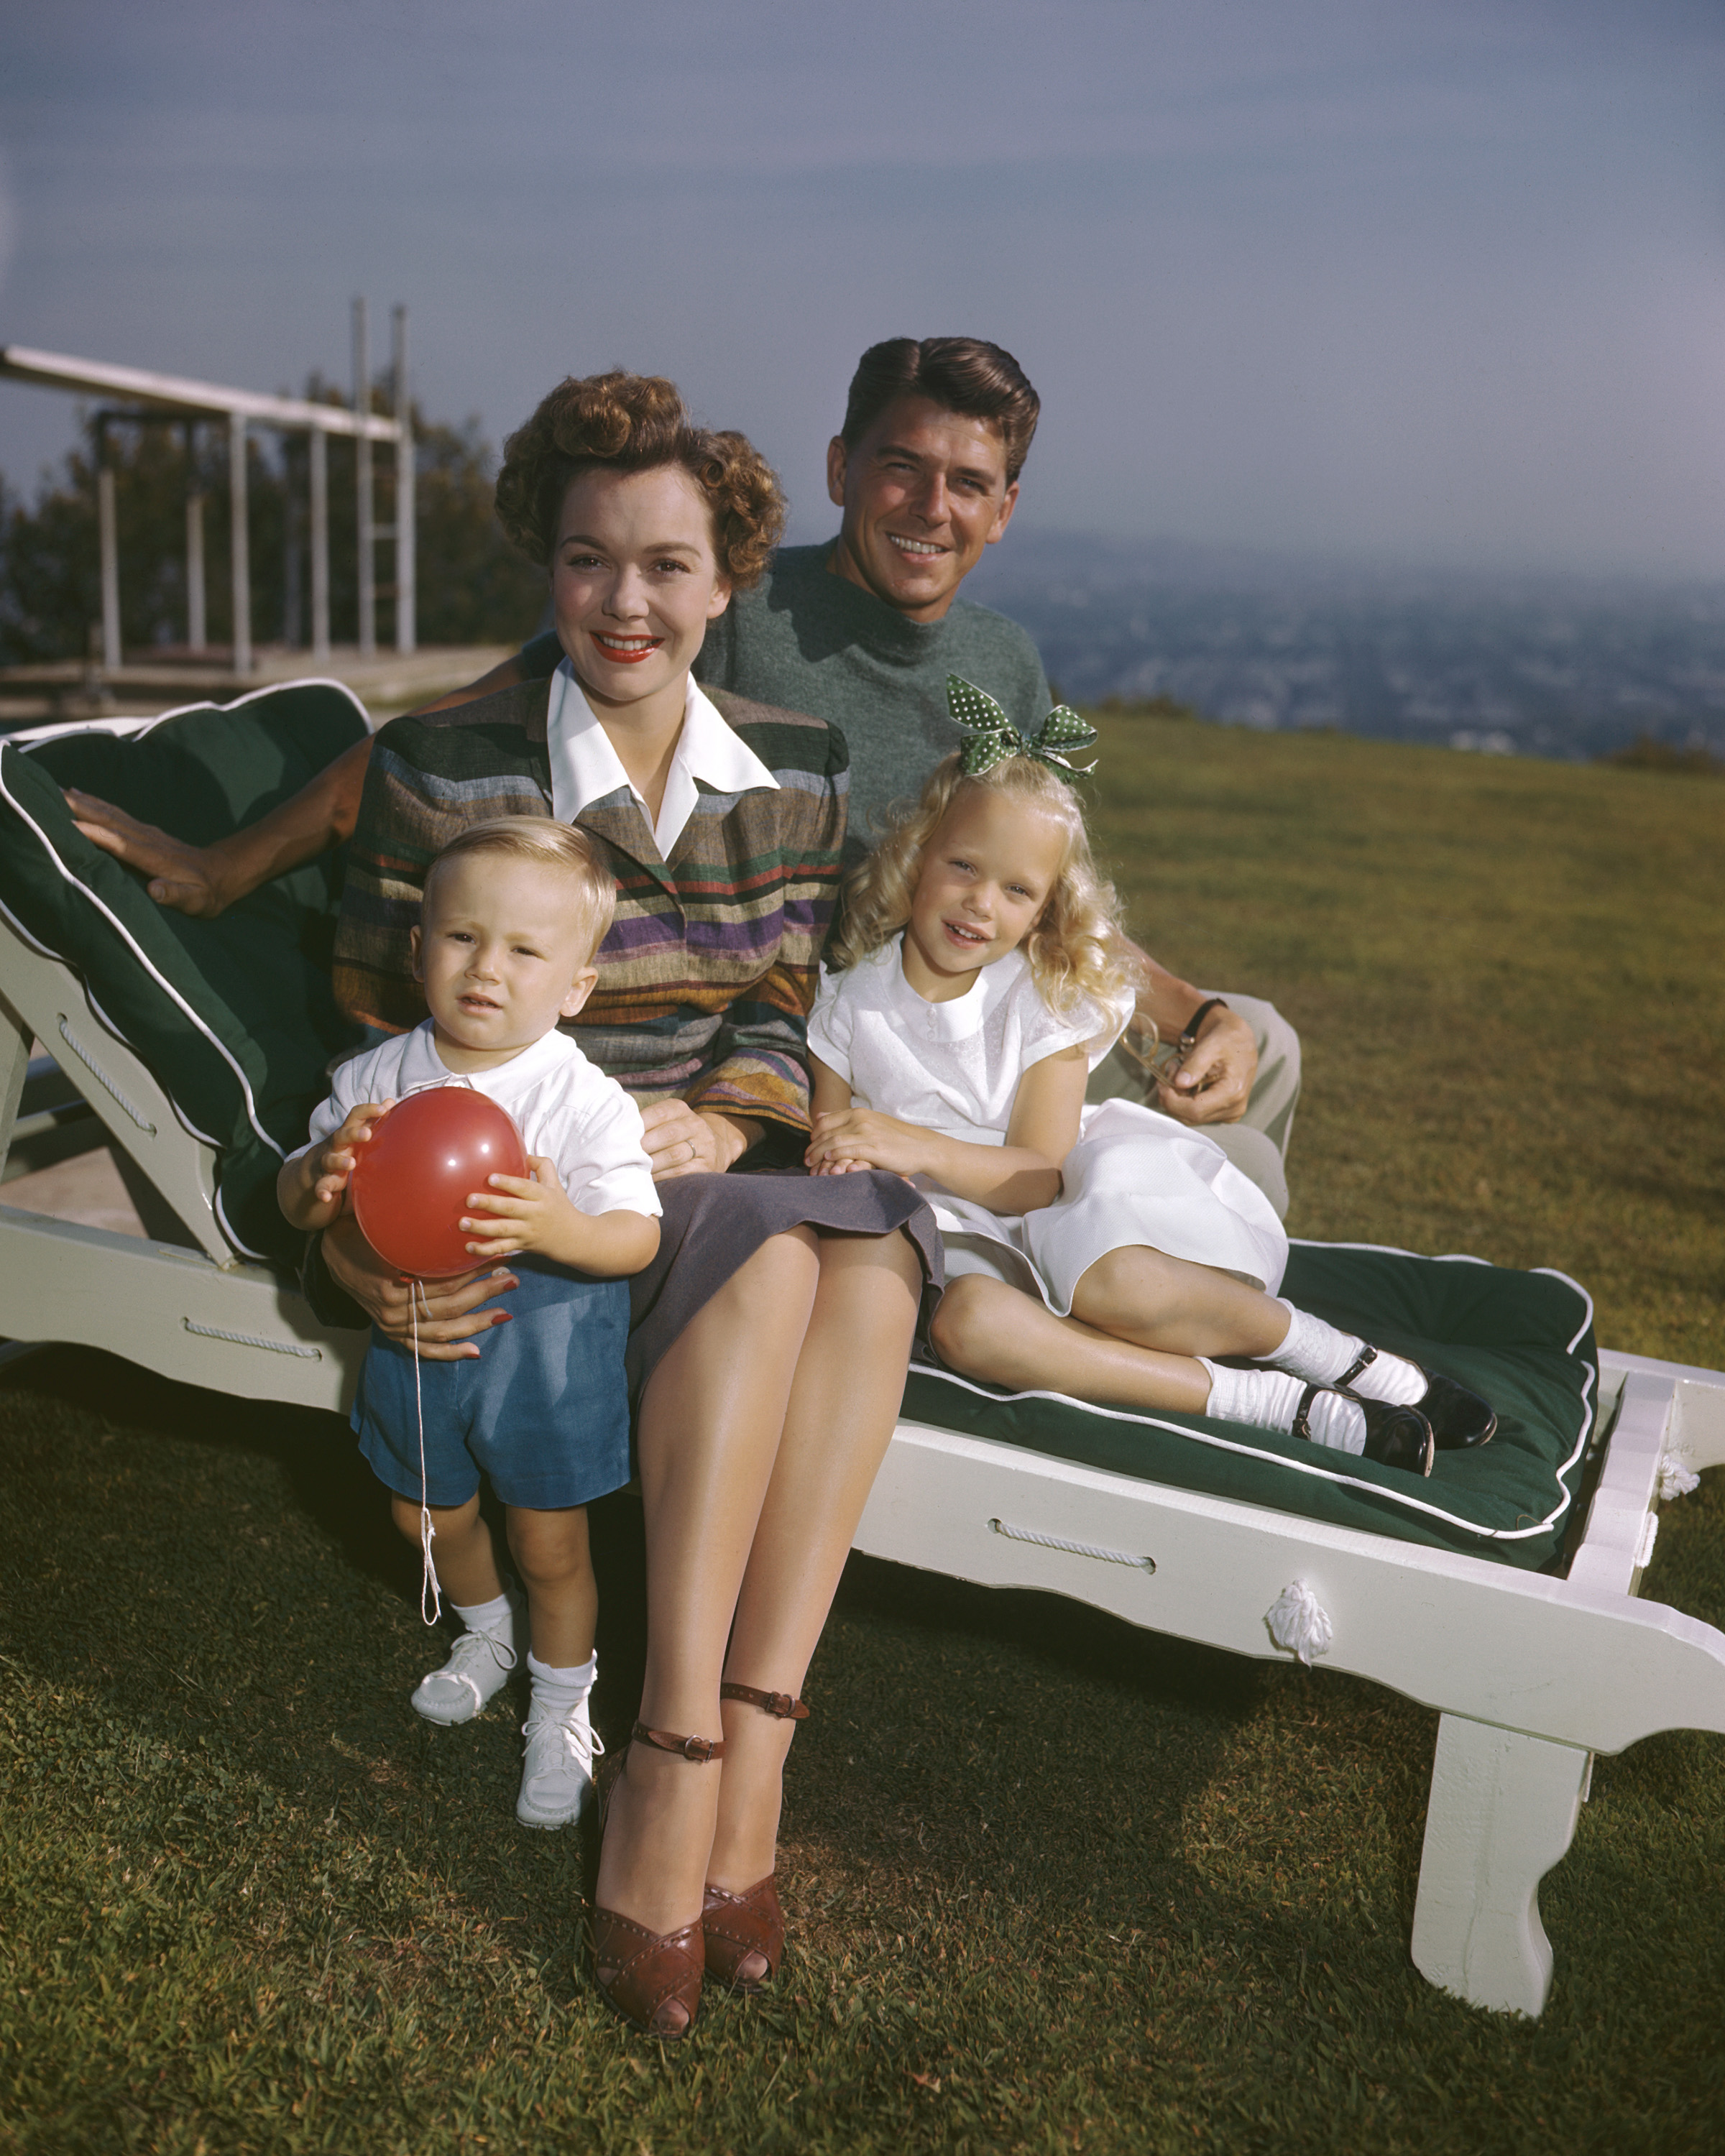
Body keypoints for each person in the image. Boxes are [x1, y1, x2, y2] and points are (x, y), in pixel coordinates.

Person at [63, 338, 1301, 1210]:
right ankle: (1171, 1317)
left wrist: (1190, 1010)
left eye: (968, 483)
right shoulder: (728, 604)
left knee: (1265, 1043)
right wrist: (225, 865)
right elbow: (460, 731)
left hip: (980, 989)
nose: (931, 506)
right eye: (900, 468)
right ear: (837, 470)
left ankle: (1184, 1283)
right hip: (862, 1022)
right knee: (1200, 1169)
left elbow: (1029, 884)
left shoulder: (1004, 663)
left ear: (1006, 508)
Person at [306, 369, 941, 2042]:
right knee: (828, 1248)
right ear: (547, 565)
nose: (626, 600)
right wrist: (361, 1248)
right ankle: (678, 1756)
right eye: (589, 559)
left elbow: (778, 1007)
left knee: (854, 1248)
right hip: (543, 1237)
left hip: (691, 1194)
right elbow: (370, 1050)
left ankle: (730, 1751)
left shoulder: (793, 770)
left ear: (729, 579)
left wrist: (724, 1130)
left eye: (666, 564)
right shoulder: (444, 769)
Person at [806, 709, 1497, 1469]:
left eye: (1017, 890)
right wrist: (852, 1153)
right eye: (962, 866)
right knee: (968, 1328)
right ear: (916, 855)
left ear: (1045, 910)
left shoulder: (1042, 993)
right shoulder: (848, 1003)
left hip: (1063, 1210)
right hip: (950, 1247)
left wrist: (910, 1143)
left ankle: (1336, 1358)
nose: (981, 903)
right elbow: (830, 1149)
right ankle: (1266, 1403)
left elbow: (1041, 1175)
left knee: (1117, 1284)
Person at [279, 817, 663, 1830]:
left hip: (544, 1356)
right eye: (461, 937)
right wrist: (313, 1181)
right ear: (418, 951)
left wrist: (563, 1224)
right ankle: (487, 1635)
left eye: (526, 950)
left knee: (551, 1545)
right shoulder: (376, 1078)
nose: (487, 968)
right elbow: (298, 1195)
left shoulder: (583, 1098)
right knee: (424, 1516)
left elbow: (635, 1237)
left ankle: (560, 1698)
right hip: (420, 1350)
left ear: (577, 985)